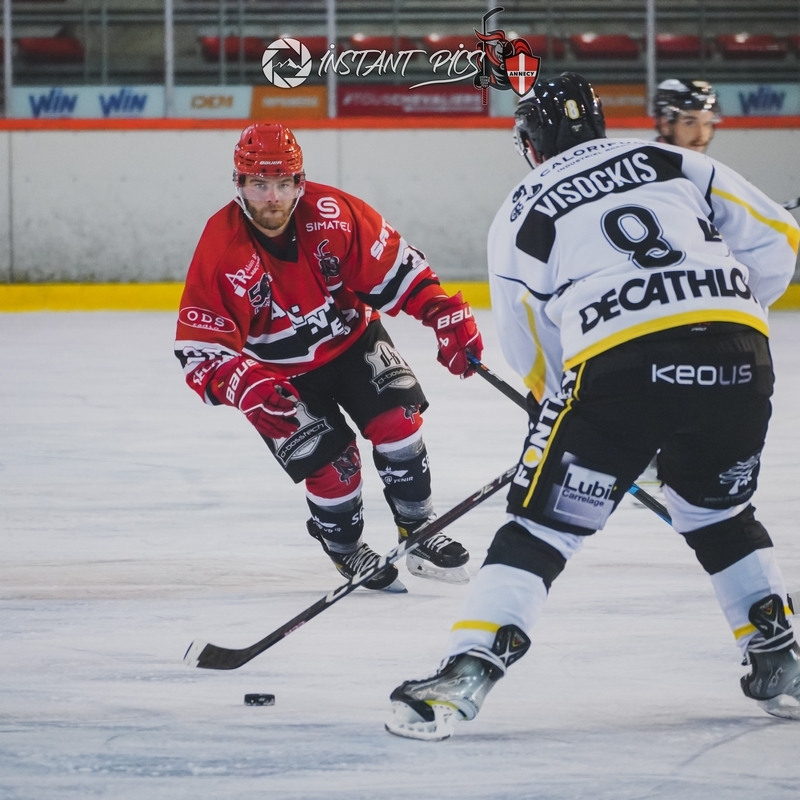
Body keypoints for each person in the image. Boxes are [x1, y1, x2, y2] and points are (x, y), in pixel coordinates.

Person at [386, 72, 800, 740]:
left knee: (543, 526)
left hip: (620, 372)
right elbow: (779, 241)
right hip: (738, 359)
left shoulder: (523, 204)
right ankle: (778, 653)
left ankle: (466, 672)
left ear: (529, 143)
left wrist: (565, 418)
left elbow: (530, 342)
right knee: (720, 512)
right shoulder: (672, 159)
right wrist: (717, 311)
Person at [174, 123, 484, 592]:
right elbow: (201, 352)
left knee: (398, 418)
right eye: (259, 184)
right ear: (238, 184)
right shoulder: (221, 248)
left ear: (300, 182)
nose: (272, 197)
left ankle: (419, 530)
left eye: (283, 183)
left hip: (353, 341)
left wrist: (442, 311)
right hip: (278, 377)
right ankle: (343, 549)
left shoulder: (334, 215)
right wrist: (244, 385)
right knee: (335, 467)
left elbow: (397, 270)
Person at [654, 78, 720, 154]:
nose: (701, 135)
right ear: (665, 125)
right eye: (690, 123)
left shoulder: (702, 164)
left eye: (707, 124)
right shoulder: (641, 161)